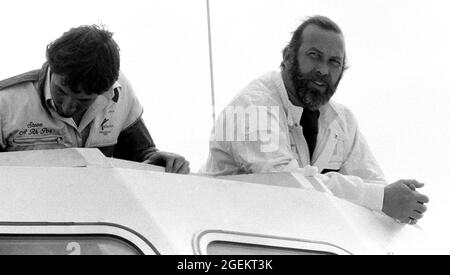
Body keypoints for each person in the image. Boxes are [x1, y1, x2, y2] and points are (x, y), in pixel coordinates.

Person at [202, 16, 428, 224]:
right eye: (314, 56)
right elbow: (287, 184)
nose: (323, 70)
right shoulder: (253, 107)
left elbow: (377, 186)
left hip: (290, 236)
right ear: (288, 56)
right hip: (220, 238)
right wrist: (381, 198)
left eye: (334, 62)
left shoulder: (342, 120)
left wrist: (399, 200)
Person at [0, 25, 190, 174]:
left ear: (107, 89)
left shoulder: (120, 92)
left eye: (83, 100)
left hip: (99, 217)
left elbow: (140, 156)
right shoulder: (6, 102)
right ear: (51, 66)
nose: (67, 106)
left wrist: (161, 164)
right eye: (61, 91)